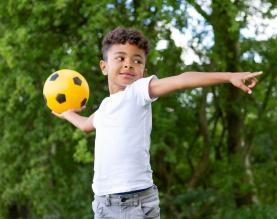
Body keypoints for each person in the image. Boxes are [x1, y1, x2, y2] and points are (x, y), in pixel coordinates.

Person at [53, 27, 262, 219]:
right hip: (103, 203)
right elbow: (86, 125)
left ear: (143, 72)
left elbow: (182, 79)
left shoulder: (137, 92)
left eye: (137, 61)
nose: (128, 63)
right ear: (104, 66)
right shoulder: (106, 106)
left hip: (132, 202)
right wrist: (66, 112)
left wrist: (229, 76)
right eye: (120, 57)